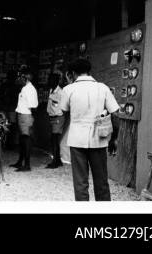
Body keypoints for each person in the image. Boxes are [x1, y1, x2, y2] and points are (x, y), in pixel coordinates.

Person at [59, 58, 120, 201]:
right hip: (99, 139)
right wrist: (114, 139)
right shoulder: (102, 87)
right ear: (89, 71)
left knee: (80, 183)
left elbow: (63, 110)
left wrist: (70, 85)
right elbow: (115, 114)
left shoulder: (68, 89)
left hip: (76, 140)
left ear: (72, 73)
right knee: (102, 182)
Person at [10, 70, 38, 172]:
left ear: (25, 78)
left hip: (26, 115)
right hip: (22, 114)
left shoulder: (30, 89)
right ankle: (20, 161)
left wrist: (28, 117)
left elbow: (33, 105)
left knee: (26, 140)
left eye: (21, 78)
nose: (19, 79)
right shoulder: (25, 88)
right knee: (22, 140)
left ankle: (27, 165)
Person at [46, 73, 65, 169]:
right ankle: (58, 160)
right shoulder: (51, 90)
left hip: (58, 117)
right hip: (52, 117)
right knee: (53, 139)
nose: (49, 81)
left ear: (56, 81)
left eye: (51, 80)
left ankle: (55, 162)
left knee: (54, 139)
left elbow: (62, 107)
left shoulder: (60, 92)